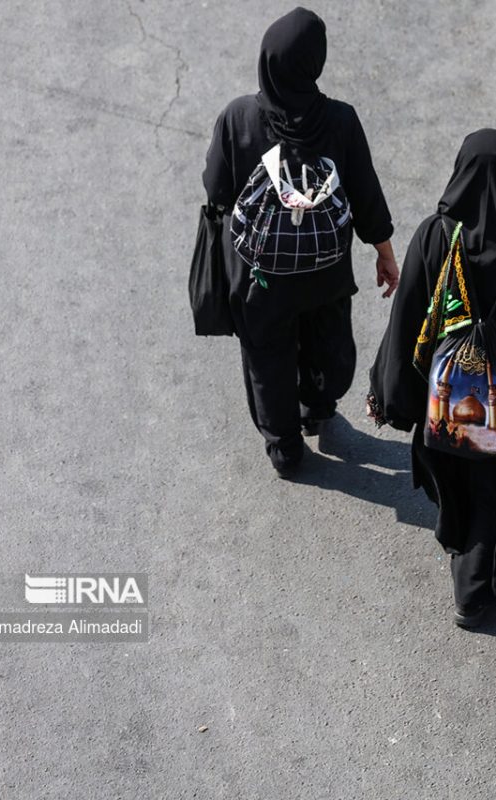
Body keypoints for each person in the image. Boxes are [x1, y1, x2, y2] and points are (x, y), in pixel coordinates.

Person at [368, 129, 496, 628]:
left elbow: (408, 322)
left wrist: (390, 393)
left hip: (446, 406)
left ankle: (468, 577)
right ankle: (476, 585)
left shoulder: (437, 235)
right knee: (492, 493)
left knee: (458, 484)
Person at [202, 8, 398, 477]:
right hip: (324, 274)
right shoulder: (340, 121)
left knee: (267, 358)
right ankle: (317, 404)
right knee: (326, 342)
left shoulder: (238, 118)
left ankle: (284, 447)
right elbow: (366, 193)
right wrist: (385, 254)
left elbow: (216, 190)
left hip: (261, 280)